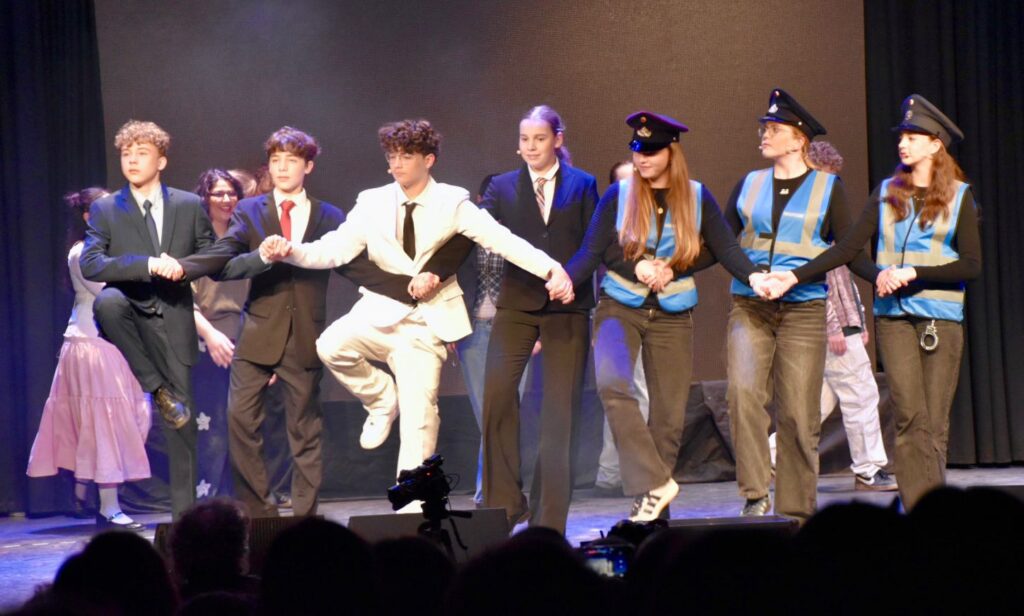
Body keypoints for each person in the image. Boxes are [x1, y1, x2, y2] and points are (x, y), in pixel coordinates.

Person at [261, 118, 574, 501]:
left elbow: (503, 240)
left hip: (425, 324)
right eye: (392, 156)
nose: (397, 164)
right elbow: (334, 249)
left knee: (420, 418)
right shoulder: (371, 201)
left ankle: (412, 509)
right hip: (378, 313)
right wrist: (291, 250)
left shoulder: (452, 202)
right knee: (331, 345)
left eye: (406, 156)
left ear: (428, 159)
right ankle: (381, 398)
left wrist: (551, 269)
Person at [178, 126, 471, 517]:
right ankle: (261, 514)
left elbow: (355, 267)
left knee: (305, 430)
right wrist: (198, 266)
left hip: (305, 333)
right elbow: (226, 260)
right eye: (276, 160)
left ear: (308, 166)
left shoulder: (329, 215)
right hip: (258, 333)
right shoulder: (249, 210)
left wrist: (416, 291)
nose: (282, 168)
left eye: (291, 160)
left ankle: (305, 517)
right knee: (240, 422)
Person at [768, 95, 981, 510]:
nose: (903, 143)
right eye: (902, 136)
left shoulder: (959, 196)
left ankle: (933, 508)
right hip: (894, 319)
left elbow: (971, 264)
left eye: (913, 136)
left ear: (935, 144)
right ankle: (916, 505)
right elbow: (847, 248)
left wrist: (914, 272)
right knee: (908, 415)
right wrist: (797, 275)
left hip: (940, 319)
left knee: (933, 421)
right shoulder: (885, 193)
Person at [565, 111, 763, 521]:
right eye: (637, 149)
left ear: (672, 152)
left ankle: (653, 506)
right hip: (619, 306)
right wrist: (565, 279)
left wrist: (751, 277)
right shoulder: (618, 194)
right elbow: (594, 249)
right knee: (613, 385)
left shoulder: (696, 195)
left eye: (652, 151)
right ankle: (655, 483)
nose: (642, 158)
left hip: (673, 313)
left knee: (669, 416)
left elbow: (724, 248)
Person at [722, 89, 876, 521]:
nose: (764, 135)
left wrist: (796, 276)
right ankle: (755, 494)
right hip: (751, 304)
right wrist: (752, 275)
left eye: (774, 129)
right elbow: (723, 241)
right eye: (763, 128)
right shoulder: (749, 184)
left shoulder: (828, 188)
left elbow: (846, 249)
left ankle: (796, 510)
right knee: (743, 395)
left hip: (804, 308)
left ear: (798, 139)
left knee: (798, 411)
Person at [81, 120, 215, 519]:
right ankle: (156, 388)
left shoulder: (188, 204)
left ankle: (186, 520)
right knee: (107, 302)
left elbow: (210, 252)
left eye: (142, 153)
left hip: (173, 315)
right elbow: (91, 263)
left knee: (181, 425)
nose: (132, 160)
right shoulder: (107, 208)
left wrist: (183, 267)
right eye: (126, 153)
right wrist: (148, 264)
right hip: (129, 312)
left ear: (162, 161)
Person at [478, 105, 599, 533]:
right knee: (496, 399)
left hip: (567, 306)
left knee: (559, 414)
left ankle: (549, 520)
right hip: (517, 304)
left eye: (540, 139)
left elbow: (594, 242)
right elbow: (480, 230)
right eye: (525, 139)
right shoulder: (501, 187)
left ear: (557, 140)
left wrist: (570, 278)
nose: (531, 147)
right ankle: (506, 503)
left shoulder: (583, 184)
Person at [766, 142, 897, 491]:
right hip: (828, 328)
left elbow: (843, 279)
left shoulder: (826, 219)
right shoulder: (805, 223)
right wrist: (835, 328)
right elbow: (814, 283)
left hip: (842, 324)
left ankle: (768, 457)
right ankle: (869, 469)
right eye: (824, 178)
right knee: (861, 395)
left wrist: (858, 322)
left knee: (816, 403)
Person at [26, 187, 152, 530]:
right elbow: (112, 294)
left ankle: (84, 490)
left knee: (127, 416)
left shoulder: (112, 248)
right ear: (88, 216)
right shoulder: (83, 252)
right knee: (104, 421)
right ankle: (108, 507)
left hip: (113, 344)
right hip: (94, 343)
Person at [455, 173, 532, 506]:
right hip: (474, 331)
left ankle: (494, 492)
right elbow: (453, 279)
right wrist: (452, 327)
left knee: (505, 412)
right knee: (485, 414)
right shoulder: (465, 237)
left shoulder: (518, 235)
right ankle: (491, 491)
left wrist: (536, 331)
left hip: (512, 330)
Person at [191, 169, 251, 499]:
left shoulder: (245, 239)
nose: (226, 199)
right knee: (210, 428)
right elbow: (182, 301)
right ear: (205, 198)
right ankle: (208, 503)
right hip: (205, 341)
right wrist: (211, 336)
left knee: (244, 426)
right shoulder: (192, 242)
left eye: (232, 193)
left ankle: (241, 503)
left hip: (245, 340)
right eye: (219, 193)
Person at [594, 160, 650, 496]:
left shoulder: (654, 221)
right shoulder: (608, 225)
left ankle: (623, 472)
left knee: (637, 391)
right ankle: (614, 472)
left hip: (652, 314)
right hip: (616, 314)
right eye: (624, 183)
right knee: (620, 390)